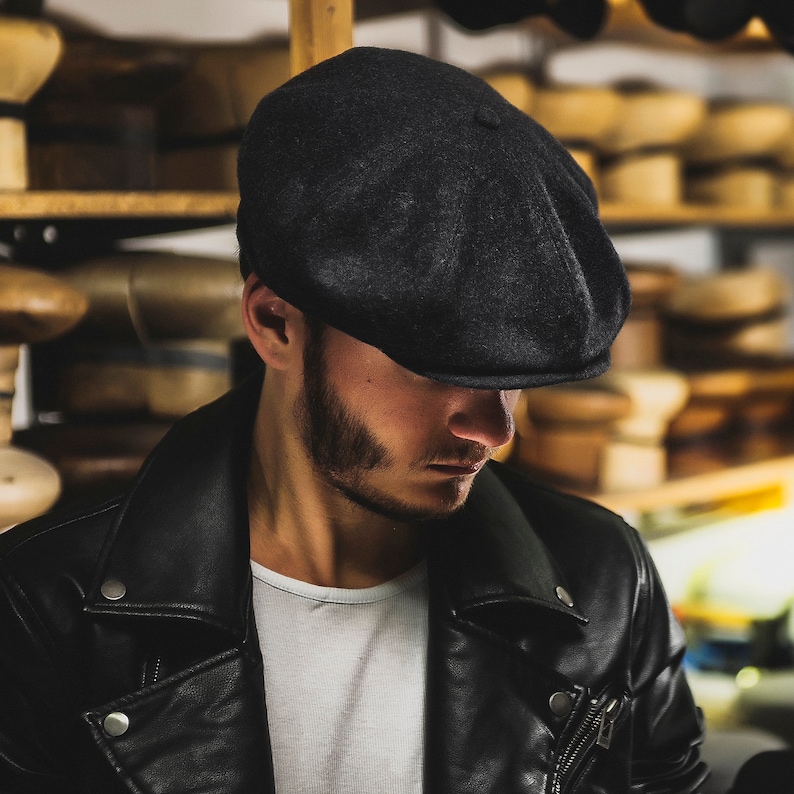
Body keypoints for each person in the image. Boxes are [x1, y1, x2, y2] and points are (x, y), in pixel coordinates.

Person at [0, 47, 708, 793]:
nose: (495, 432)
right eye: (436, 368)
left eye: (513, 378)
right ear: (275, 324)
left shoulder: (605, 582)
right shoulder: (45, 608)